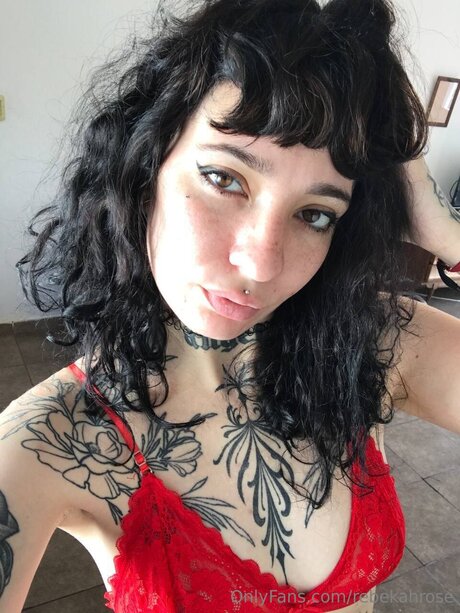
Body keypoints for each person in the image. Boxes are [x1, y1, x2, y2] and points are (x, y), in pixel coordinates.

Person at [1, 0, 460, 611]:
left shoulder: (371, 343)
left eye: (314, 214)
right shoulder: (48, 442)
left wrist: (448, 234)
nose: (261, 263)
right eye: (224, 179)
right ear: (146, 164)